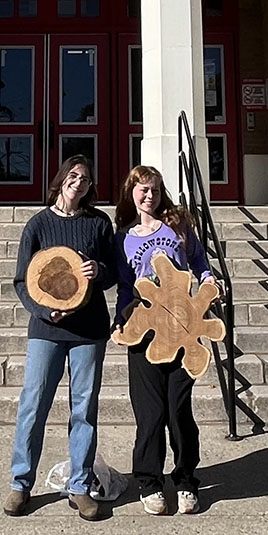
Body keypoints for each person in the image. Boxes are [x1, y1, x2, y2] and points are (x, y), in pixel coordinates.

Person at [5, 155, 116, 522]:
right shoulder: (38, 224)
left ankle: (80, 486)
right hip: (47, 330)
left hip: (89, 330)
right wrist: (41, 312)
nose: (80, 182)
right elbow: (23, 280)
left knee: (83, 409)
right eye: (74, 176)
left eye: (86, 178)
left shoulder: (99, 223)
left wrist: (98, 270)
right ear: (61, 179)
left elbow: (115, 273)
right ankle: (21, 484)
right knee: (33, 404)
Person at [112, 165, 217, 516]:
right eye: (142, 189)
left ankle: (186, 480)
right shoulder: (123, 237)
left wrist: (208, 284)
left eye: (155, 189)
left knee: (178, 410)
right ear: (131, 192)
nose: (149, 196)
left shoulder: (178, 225)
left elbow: (201, 262)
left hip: (184, 330)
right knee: (150, 412)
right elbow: (125, 286)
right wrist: (121, 318)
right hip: (145, 330)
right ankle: (150, 482)